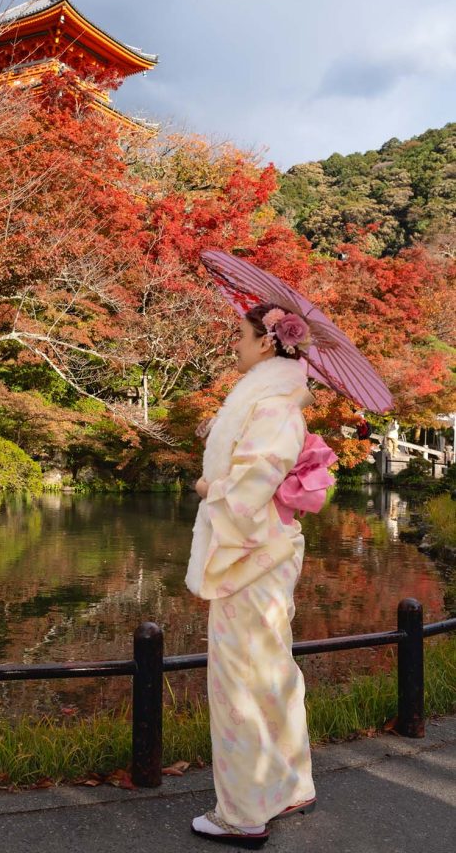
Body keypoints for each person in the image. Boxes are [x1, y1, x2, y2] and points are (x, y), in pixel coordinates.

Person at [186, 303, 337, 848]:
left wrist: (208, 487)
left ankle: (243, 813)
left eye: (242, 336)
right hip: (267, 555)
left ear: (268, 343)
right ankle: (289, 785)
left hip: (254, 559)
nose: (236, 344)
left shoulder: (272, 407)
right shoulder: (272, 403)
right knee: (271, 672)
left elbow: (250, 489)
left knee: (241, 681)